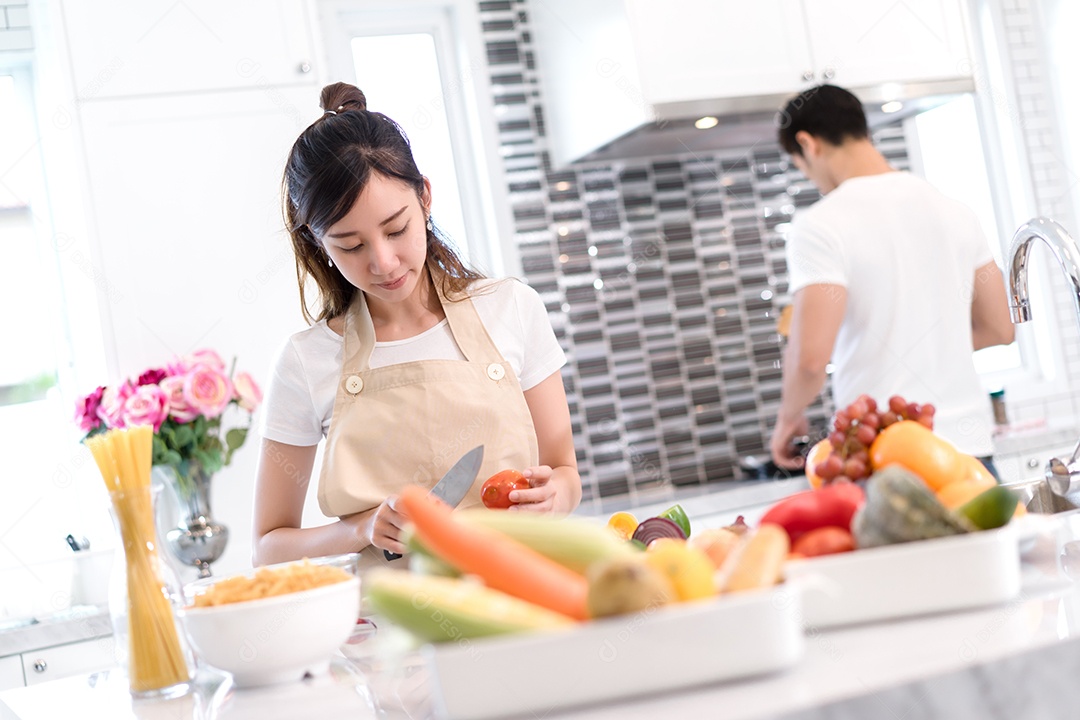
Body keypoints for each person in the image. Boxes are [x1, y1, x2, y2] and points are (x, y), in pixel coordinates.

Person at [252, 82, 581, 568]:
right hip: (390, 625)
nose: (383, 263)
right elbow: (268, 546)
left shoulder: (512, 308)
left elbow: (565, 472)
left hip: (521, 599)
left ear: (424, 197)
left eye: (396, 228)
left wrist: (559, 494)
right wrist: (361, 528)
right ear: (318, 242)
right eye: (351, 245)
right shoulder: (307, 360)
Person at [769, 84, 1016, 473]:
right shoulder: (955, 210)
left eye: (801, 165)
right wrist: (932, 346)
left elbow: (811, 360)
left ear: (808, 144)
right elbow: (1000, 328)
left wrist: (788, 418)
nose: (812, 178)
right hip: (970, 456)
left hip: (889, 458)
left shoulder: (820, 225)